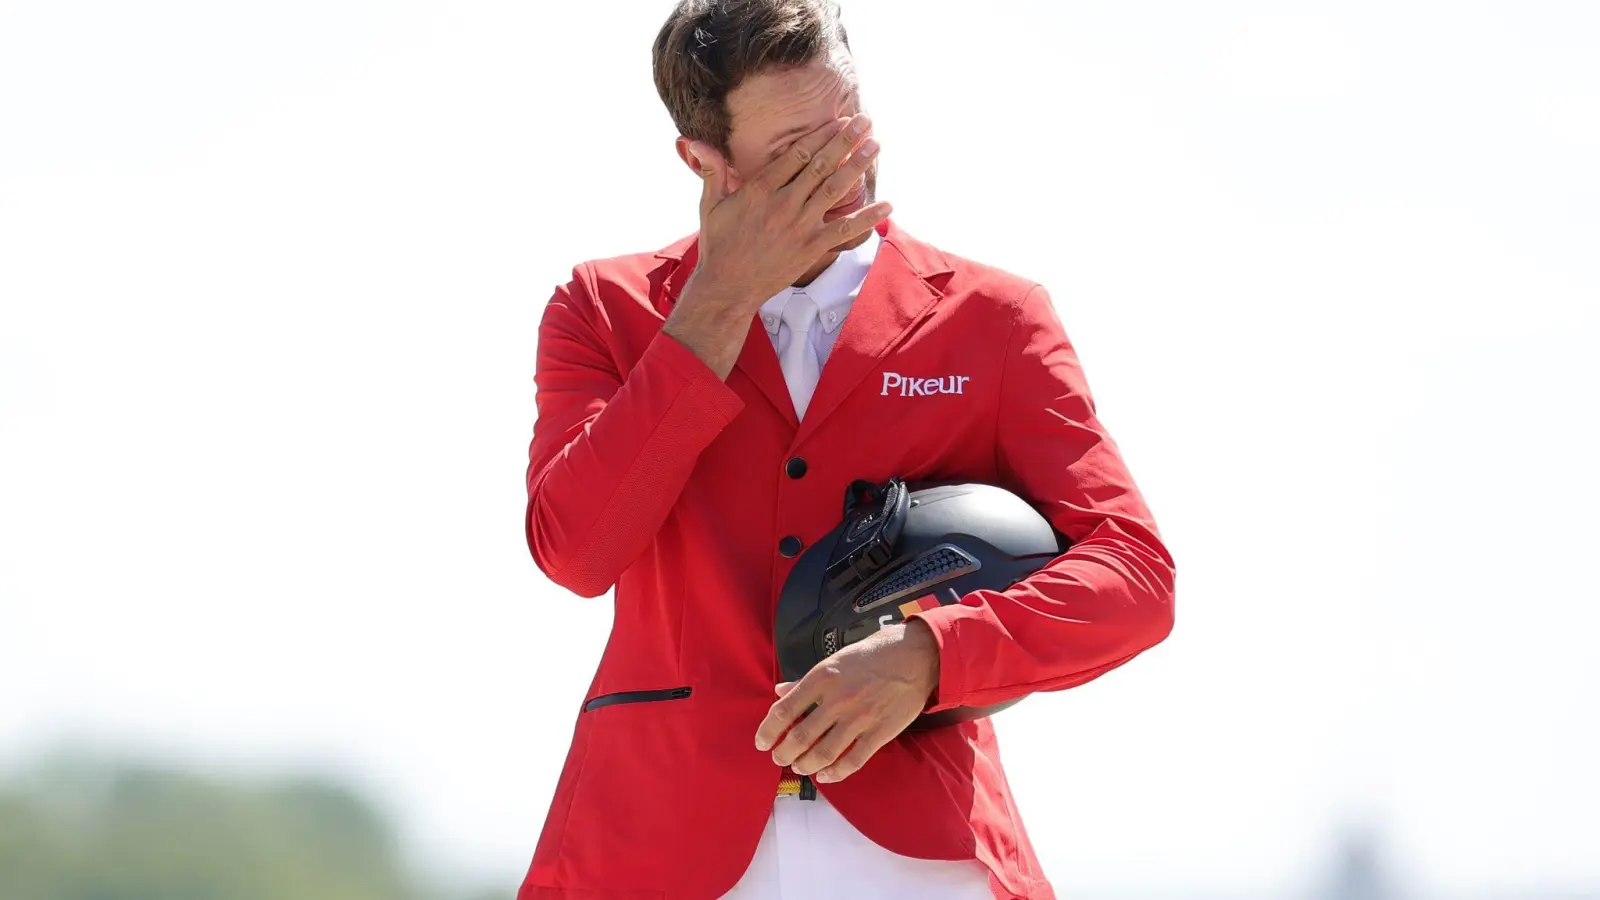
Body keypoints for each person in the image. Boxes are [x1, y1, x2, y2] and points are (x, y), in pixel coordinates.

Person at [517, 2, 1176, 898]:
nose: (848, 162)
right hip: (657, 851)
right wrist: (716, 306)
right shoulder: (606, 310)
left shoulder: (994, 318)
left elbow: (1135, 576)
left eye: (849, 121)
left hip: (923, 858)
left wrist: (932, 652)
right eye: (799, 146)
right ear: (706, 164)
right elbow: (576, 551)